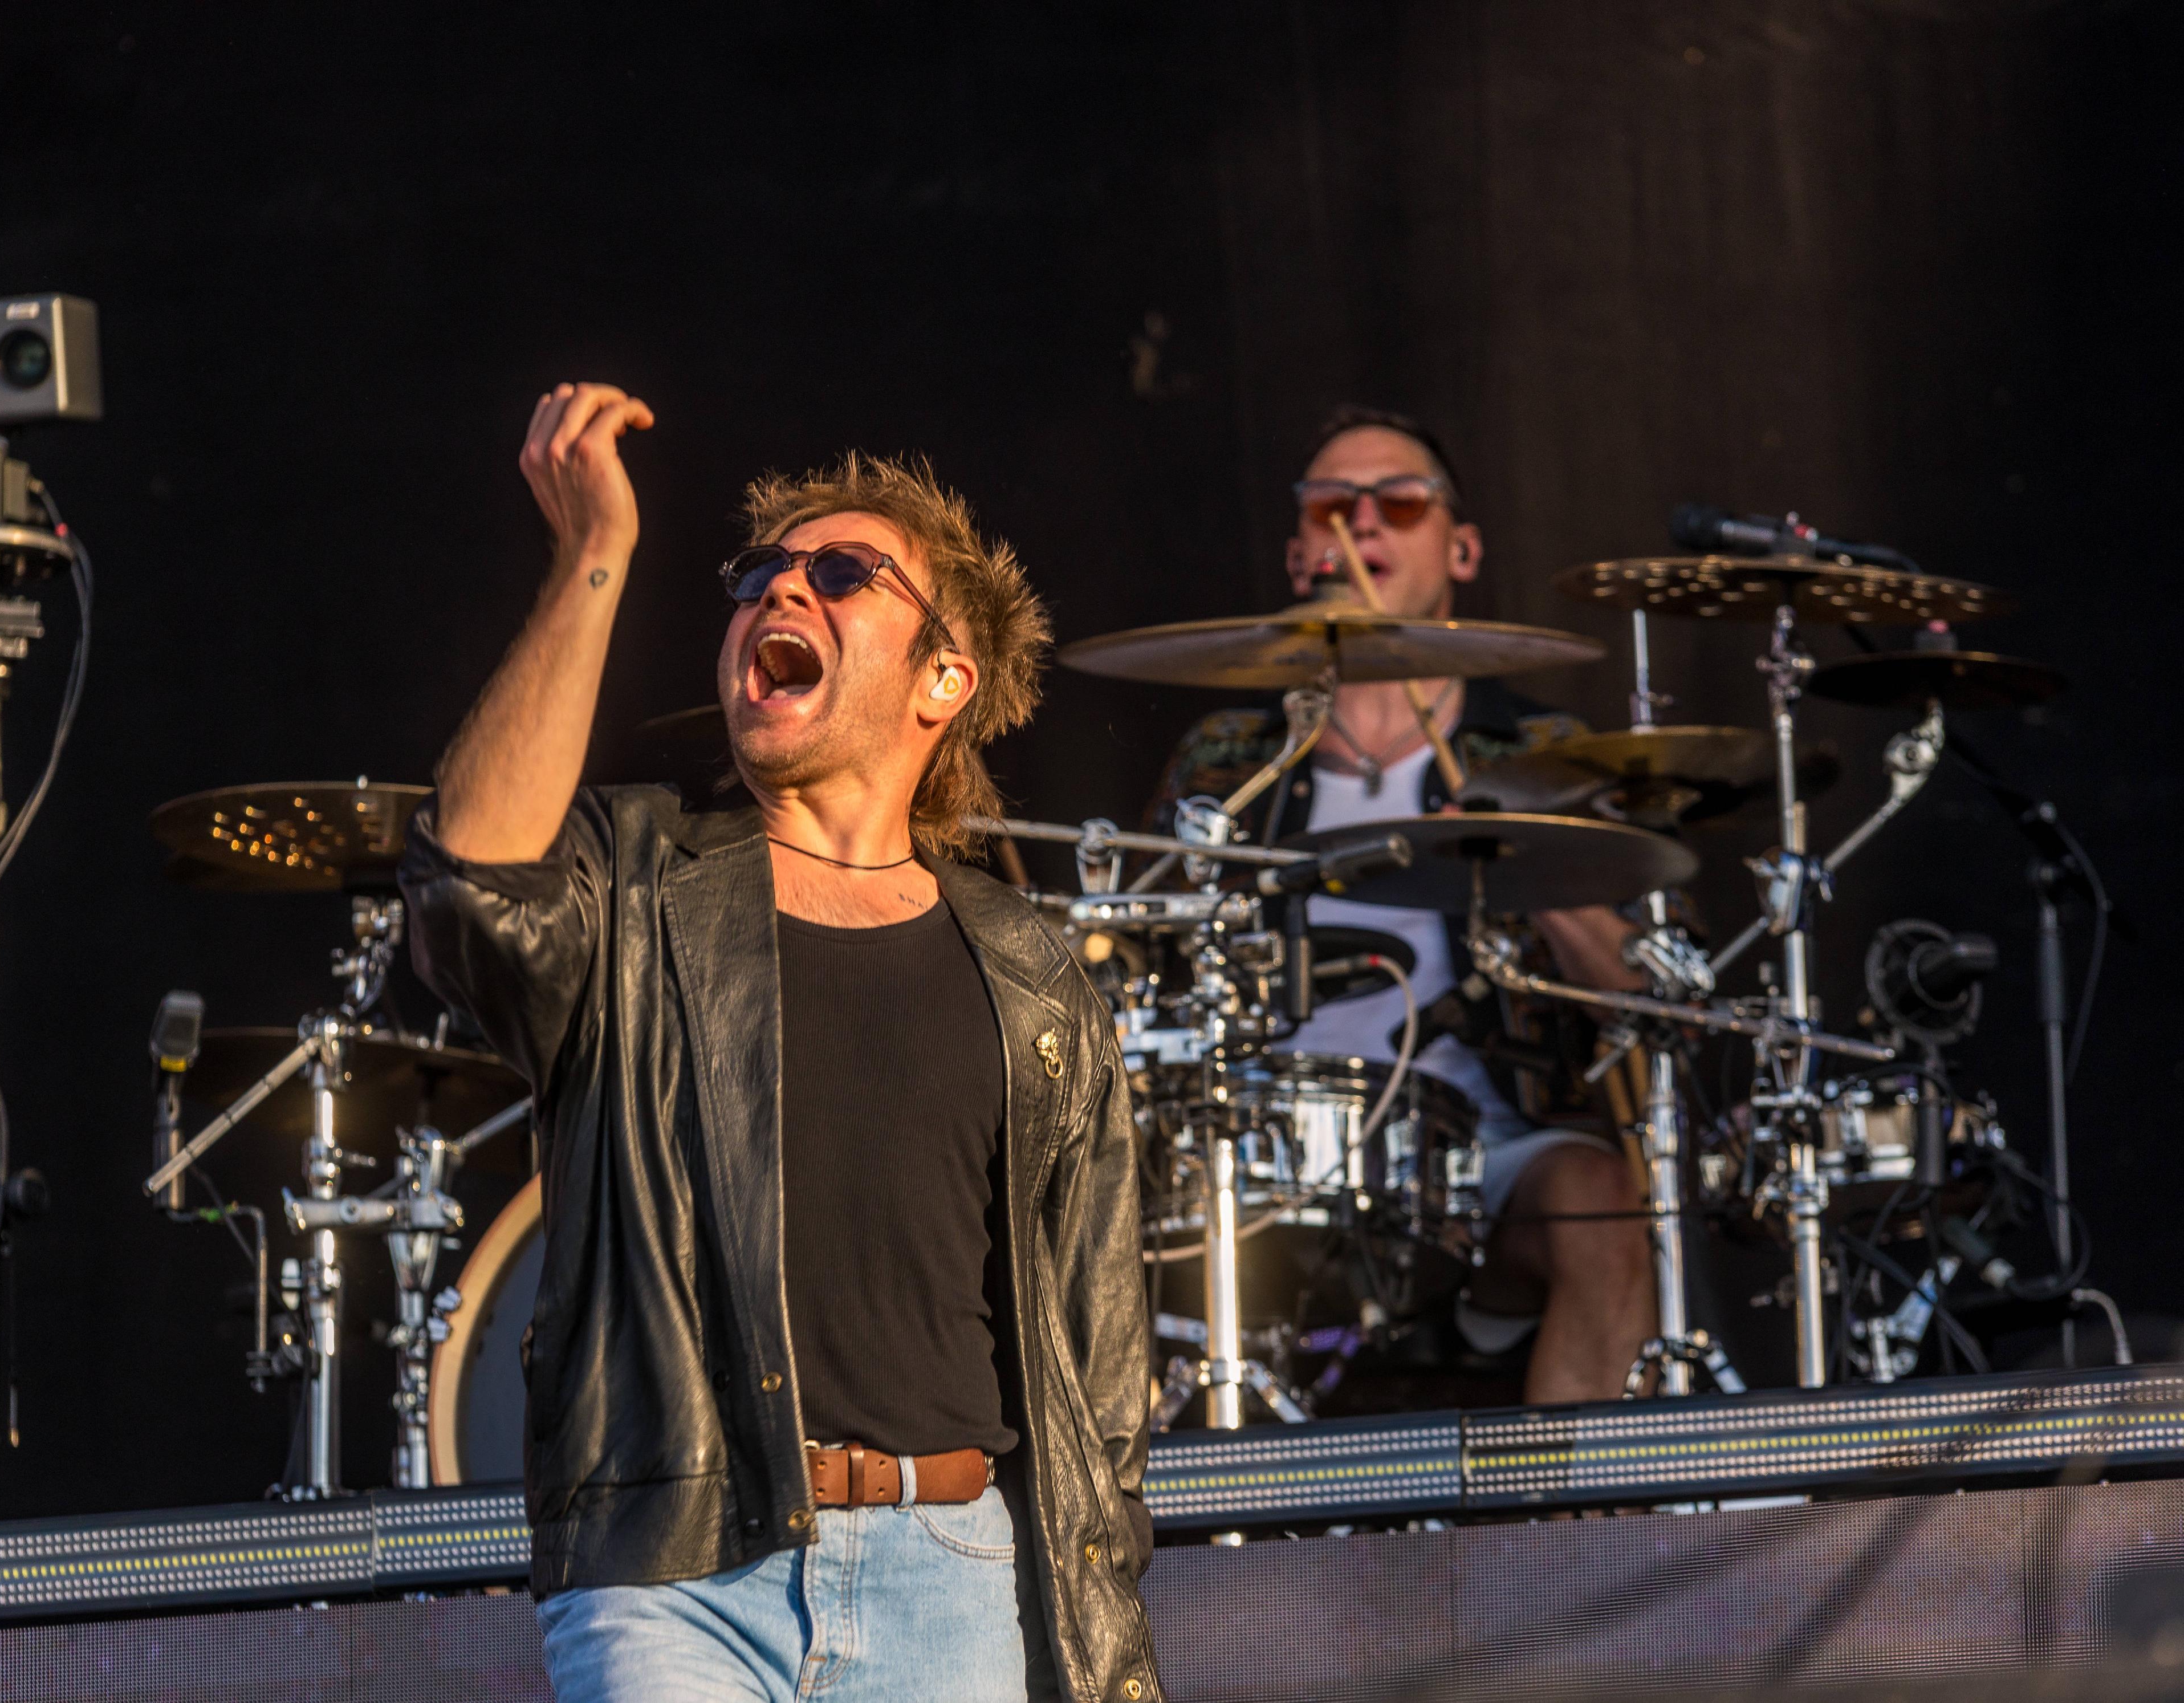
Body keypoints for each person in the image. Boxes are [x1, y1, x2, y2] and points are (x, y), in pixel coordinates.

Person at [400, 383, 1161, 1703]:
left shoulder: (1032, 975)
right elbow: (470, 890)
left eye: (842, 573)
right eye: (757, 575)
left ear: (942, 679)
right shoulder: (635, 888)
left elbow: (1098, 1366)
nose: (780, 591)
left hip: (952, 1575)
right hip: (677, 1575)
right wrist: (594, 555)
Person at [1146, 405, 1656, 1403]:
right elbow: (1134, 967)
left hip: (1477, 1148)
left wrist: (1521, 863)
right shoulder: (1228, 761)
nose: (1362, 523)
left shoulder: (1541, 754)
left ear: (1463, 549)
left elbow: (1639, 994)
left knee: (1602, 1203)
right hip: (1257, 1140)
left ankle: (1570, 1509)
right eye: (1332, 506)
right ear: (1298, 555)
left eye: (1401, 502)